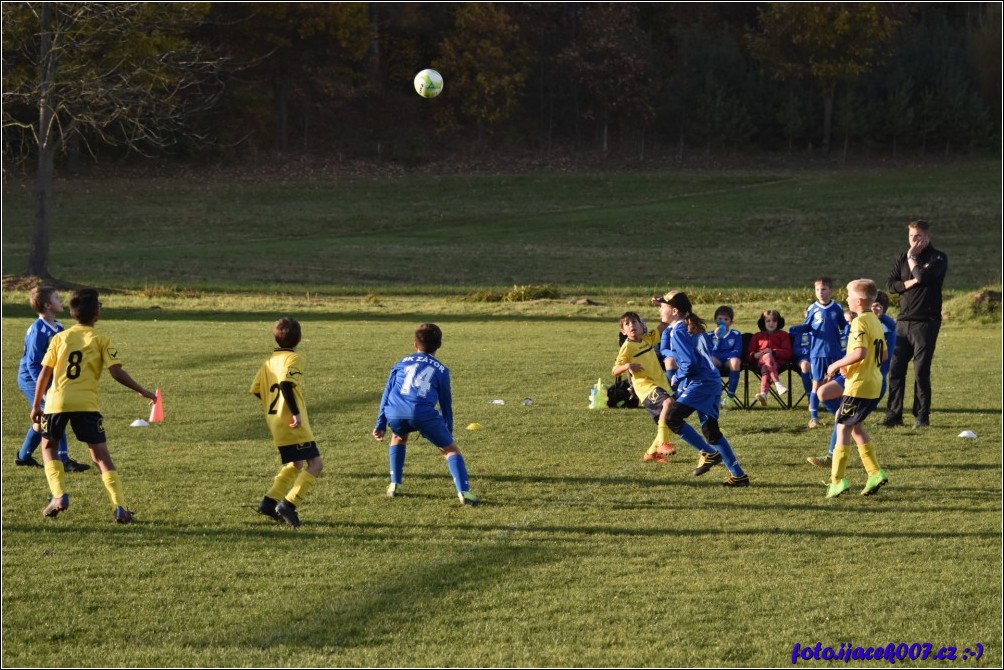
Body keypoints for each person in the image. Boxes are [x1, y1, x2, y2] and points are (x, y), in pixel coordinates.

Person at [30, 289, 157, 523]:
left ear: (72, 312)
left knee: (49, 448)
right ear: (96, 313)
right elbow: (116, 372)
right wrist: (143, 391)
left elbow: (44, 375)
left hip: (57, 402)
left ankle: (59, 496)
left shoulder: (60, 337)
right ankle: (120, 507)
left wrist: (36, 405)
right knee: (101, 456)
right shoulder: (100, 340)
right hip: (86, 404)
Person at [372, 323, 479, 505]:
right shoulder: (442, 370)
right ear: (439, 345)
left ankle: (394, 484)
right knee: (450, 450)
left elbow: (387, 392)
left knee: (398, 437)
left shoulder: (400, 363)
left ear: (415, 344)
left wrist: (380, 424)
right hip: (423, 413)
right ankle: (464, 493)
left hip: (396, 412)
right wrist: (448, 430)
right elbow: (446, 403)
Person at [655, 291, 750, 487]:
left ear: (674, 311)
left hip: (702, 383)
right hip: (711, 381)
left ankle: (708, 452)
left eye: (662, 306)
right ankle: (738, 476)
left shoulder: (678, 330)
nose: (659, 309)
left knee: (672, 418)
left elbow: (688, 363)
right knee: (711, 431)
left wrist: (678, 378)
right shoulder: (689, 325)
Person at [808, 291, 897, 468]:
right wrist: (845, 364)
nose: (875, 308)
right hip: (852, 375)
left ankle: (835, 460)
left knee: (848, 422)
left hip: (868, 378)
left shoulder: (884, 326)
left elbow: (881, 354)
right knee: (823, 393)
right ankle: (844, 422)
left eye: (879, 306)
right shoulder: (861, 322)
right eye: (873, 305)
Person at [251, 317, 323, 528]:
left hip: (276, 422)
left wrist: (275, 408)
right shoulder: (293, 359)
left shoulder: (269, 362)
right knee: (316, 464)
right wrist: (294, 413)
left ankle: (269, 502)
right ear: (299, 338)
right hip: (292, 423)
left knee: (295, 463)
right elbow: (285, 383)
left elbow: (257, 390)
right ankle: (288, 505)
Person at [822, 279, 889, 498]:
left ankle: (837, 481)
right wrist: (853, 367)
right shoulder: (876, 321)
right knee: (856, 426)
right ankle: (874, 473)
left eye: (849, 295)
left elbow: (860, 352)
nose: (847, 299)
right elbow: (883, 354)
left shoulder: (859, 322)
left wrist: (837, 364)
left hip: (859, 385)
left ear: (858, 301)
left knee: (842, 427)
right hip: (874, 382)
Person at [881, 220, 949, 429]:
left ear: (927, 237)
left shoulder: (938, 258)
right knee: (895, 370)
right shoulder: (902, 257)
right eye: (912, 236)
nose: (915, 240)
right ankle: (893, 415)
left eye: (919, 236)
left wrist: (912, 259)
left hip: (926, 322)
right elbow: (891, 286)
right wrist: (909, 283)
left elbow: (922, 275)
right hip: (903, 321)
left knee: (920, 370)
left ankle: (921, 417)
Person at [16, 286, 89, 472]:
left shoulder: (59, 327)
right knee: (57, 412)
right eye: (57, 297)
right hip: (31, 380)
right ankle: (62, 460)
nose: (61, 299)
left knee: (43, 420)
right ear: (48, 305)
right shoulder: (38, 330)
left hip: (48, 379)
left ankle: (23, 457)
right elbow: (33, 364)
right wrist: (45, 389)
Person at [613, 309, 676, 463]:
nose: (631, 326)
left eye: (634, 322)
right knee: (668, 404)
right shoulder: (627, 347)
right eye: (627, 324)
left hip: (659, 384)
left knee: (671, 417)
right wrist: (628, 365)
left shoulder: (647, 339)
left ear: (642, 326)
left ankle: (651, 453)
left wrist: (665, 307)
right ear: (623, 331)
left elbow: (662, 325)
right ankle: (663, 444)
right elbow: (615, 370)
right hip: (645, 387)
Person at [803, 277, 845, 428]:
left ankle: (840, 413)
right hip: (817, 353)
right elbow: (806, 327)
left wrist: (849, 328)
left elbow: (843, 325)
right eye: (817, 289)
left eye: (824, 289)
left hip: (835, 353)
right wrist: (798, 329)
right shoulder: (812, 308)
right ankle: (814, 417)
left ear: (831, 291)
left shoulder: (837, 308)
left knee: (839, 384)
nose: (820, 292)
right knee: (817, 384)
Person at [746, 309, 791, 406]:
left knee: (766, 368)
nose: (771, 323)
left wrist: (773, 352)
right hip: (760, 362)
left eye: (774, 321)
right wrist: (754, 355)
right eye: (768, 321)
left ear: (778, 322)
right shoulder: (757, 336)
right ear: (763, 322)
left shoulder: (783, 335)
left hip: (778, 363)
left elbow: (788, 353)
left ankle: (764, 394)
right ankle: (778, 384)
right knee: (766, 356)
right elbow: (749, 353)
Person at [706, 305, 744, 409]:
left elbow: (737, 351)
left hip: (729, 360)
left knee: (736, 361)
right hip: (716, 359)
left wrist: (726, 357)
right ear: (715, 320)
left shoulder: (736, 334)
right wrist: (719, 338)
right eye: (719, 319)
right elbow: (710, 352)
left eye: (726, 319)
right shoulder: (709, 335)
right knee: (709, 361)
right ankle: (715, 397)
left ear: (731, 322)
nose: (722, 321)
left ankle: (729, 398)